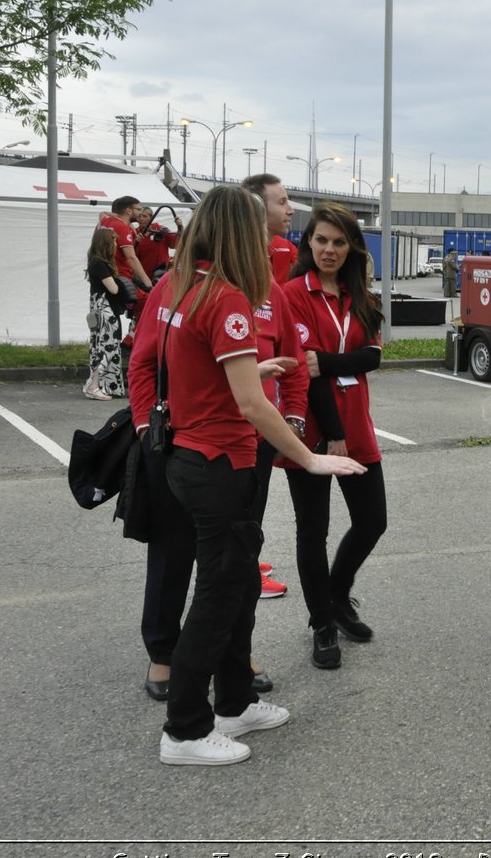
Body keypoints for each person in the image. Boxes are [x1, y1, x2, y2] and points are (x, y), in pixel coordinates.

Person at [132, 184, 363, 767]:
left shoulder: (186, 287)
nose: (273, 238)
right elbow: (251, 405)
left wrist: (254, 365)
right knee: (218, 596)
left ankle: (233, 702)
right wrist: (309, 458)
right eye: (261, 228)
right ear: (241, 233)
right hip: (218, 462)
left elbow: (193, 368)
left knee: (234, 589)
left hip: (197, 455)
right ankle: (185, 729)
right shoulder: (230, 298)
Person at [280, 202, 389, 670]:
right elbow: (307, 373)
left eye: (339, 242)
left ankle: (337, 595)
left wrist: (329, 359)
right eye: (321, 240)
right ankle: (322, 624)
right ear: (309, 243)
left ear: (351, 248)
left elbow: (372, 357)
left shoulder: (359, 296)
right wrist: (335, 435)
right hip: (312, 427)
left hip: (357, 423)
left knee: (372, 520)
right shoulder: (291, 295)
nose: (329, 249)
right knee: (313, 530)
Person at [241, 172, 301, 602]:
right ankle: (243, 570)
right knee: (238, 510)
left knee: (253, 503)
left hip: (263, 418)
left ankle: (247, 560)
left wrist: (293, 414)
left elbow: (291, 351)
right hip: (231, 423)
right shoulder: (224, 277)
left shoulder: (279, 259)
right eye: (282, 202)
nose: (290, 209)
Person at [85, 228, 130, 400]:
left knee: (101, 346)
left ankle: (103, 385)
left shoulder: (95, 262)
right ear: (106, 243)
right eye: (114, 241)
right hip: (106, 310)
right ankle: (95, 385)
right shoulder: (100, 264)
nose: (116, 244)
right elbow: (113, 288)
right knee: (107, 346)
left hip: (99, 309)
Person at [100, 196, 153, 304]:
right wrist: (148, 283)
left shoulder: (105, 221)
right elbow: (131, 258)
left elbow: (102, 213)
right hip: (121, 277)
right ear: (128, 211)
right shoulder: (122, 227)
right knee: (149, 302)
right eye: (138, 209)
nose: (141, 212)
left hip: (105, 275)